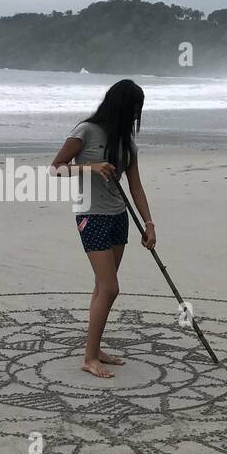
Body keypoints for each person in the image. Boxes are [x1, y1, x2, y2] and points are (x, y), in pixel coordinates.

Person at [50, 79, 155, 378]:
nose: (135, 117)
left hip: (118, 216)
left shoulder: (127, 142)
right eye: (133, 110)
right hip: (90, 214)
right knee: (110, 288)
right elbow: (55, 168)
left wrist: (149, 224)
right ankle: (88, 358)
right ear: (119, 106)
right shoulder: (85, 131)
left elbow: (135, 186)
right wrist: (90, 167)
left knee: (102, 287)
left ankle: (95, 350)